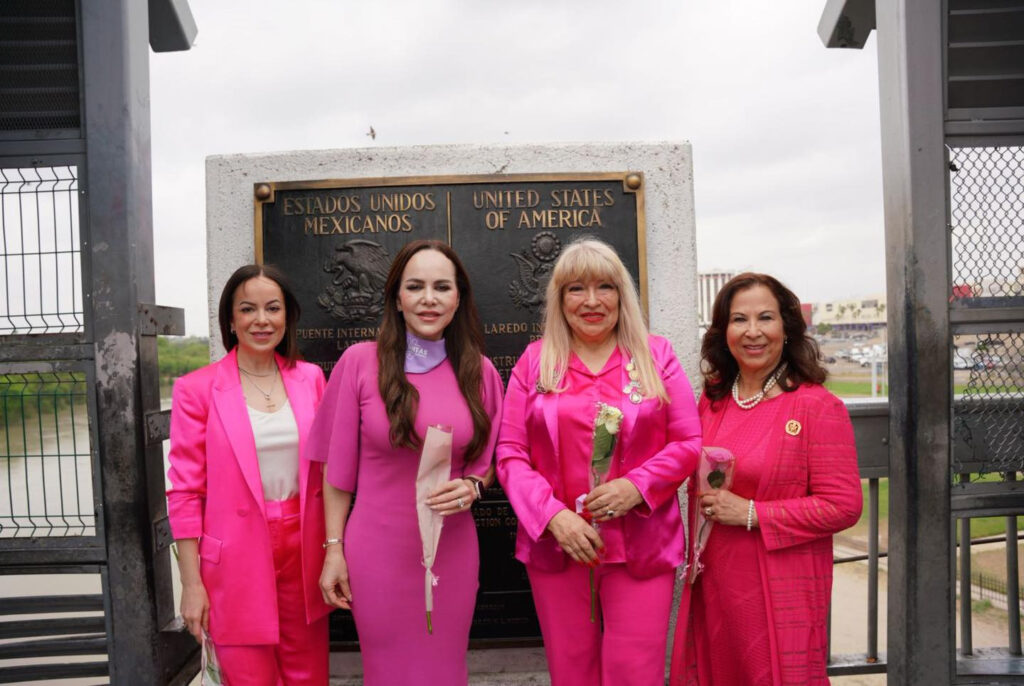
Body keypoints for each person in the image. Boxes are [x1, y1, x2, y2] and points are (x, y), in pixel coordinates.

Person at [497, 237, 702, 686]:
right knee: (571, 670)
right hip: (560, 545)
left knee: (636, 672)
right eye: (577, 288)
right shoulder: (535, 363)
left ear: (621, 295)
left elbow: (688, 442)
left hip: (642, 546)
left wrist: (637, 486)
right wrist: (553, 516)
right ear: (559, 298)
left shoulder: (656, 356)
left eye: (605, 287)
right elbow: (510, 454)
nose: (591, 301)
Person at [310, 240, 504, 685]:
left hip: (453, 551)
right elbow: (335, 474)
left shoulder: (481, 372)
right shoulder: (360, 363)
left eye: (441, 287)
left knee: (446, 669)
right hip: (377, 553)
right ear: (397, 298)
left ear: (459, 299)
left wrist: (474, 485)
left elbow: (494, 459)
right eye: (415, 287)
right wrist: (333, 550)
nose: (428, 299)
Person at [669, 272, 863, 686]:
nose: (752, 331)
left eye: (765, 318)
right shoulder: (713, 399)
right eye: (739, 319)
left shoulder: (816, 406)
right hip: (714, 579)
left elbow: (844, 505)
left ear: (787, 327)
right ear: (723, 332)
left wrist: (752, 513)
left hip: (777, 584)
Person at [166, 264, 330, 685]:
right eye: (247, 309)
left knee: (308, 673)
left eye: (273, 308)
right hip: (235, 557)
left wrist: (336, 549)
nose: (262, 320)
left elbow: (331, 470)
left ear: (287, 316)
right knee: (248, 674)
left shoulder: (310, 378)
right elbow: (185, 492)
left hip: (304, 548)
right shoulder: (196, 390)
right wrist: (191, 585)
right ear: (230, 320)